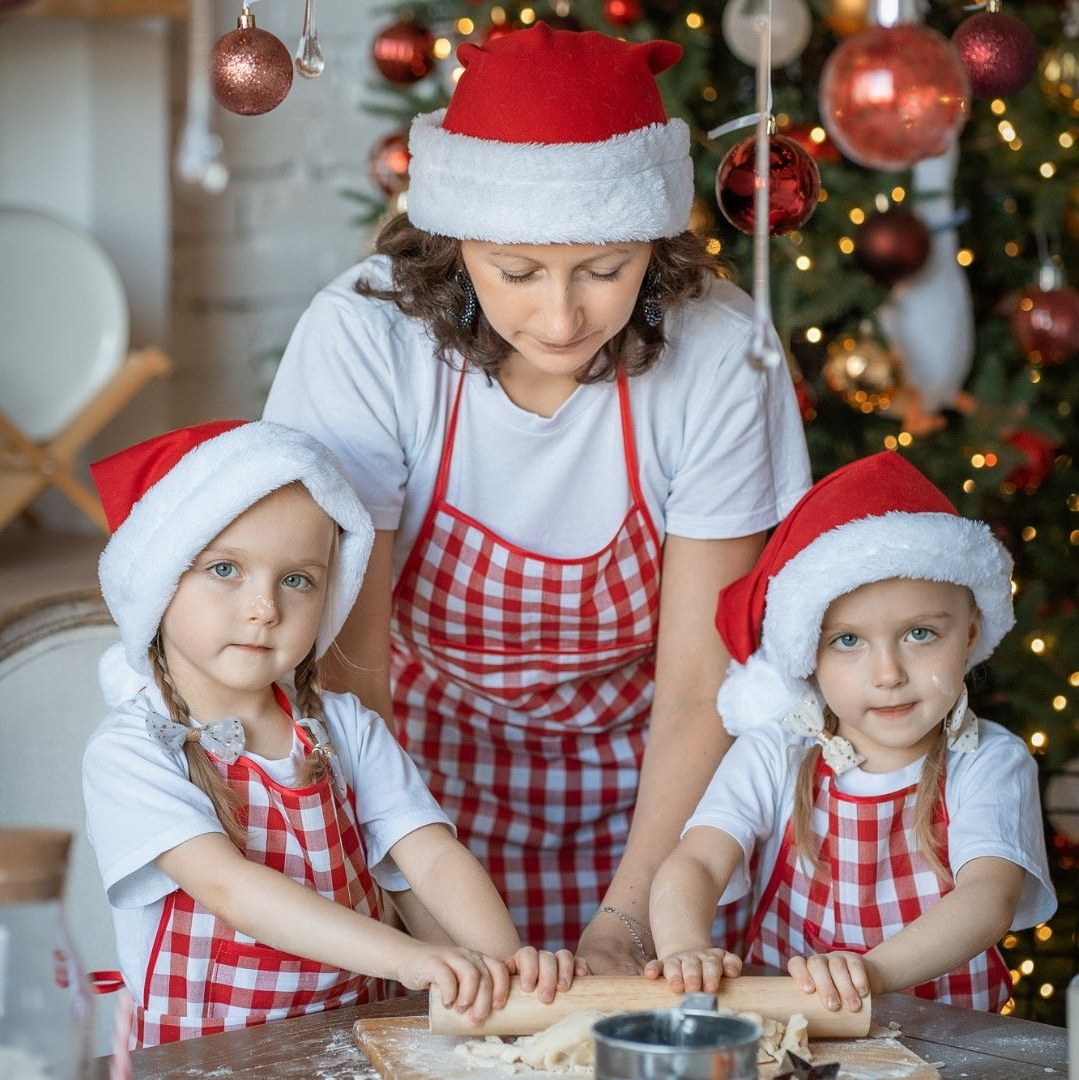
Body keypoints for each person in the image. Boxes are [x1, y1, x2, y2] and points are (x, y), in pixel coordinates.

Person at [263, 23, 811, 971]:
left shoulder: (721, 351)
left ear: (653, 241)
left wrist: (634, 921)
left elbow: (698, 687)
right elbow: (350, 673)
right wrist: (431, 914)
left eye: (605, 271)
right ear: (452, 238)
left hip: (665, 801)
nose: (562, 319)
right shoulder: (365, 338)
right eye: (517, 272)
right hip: (415, 783)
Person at [82, 420, 575, 1048]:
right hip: (208, 1053)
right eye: (226, 569)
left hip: (354, 1035)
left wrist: (505, 966)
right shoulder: (132, 753)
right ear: (158, 581)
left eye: (297, 580)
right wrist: (405, 958)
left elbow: (430, 855)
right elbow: (229, 887)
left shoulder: (345, 729)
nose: (265, 607)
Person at [646, 452, 1056, 1011]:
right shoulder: (777, 753)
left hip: (955, 1042)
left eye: (919, 633)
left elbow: (987, 897)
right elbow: (697, 860)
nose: (888, 674)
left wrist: (871, 972)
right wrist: (684, 947)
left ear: (970, 633)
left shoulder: (988, 761)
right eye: (848, 641)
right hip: (794, 1032)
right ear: (807, 654)